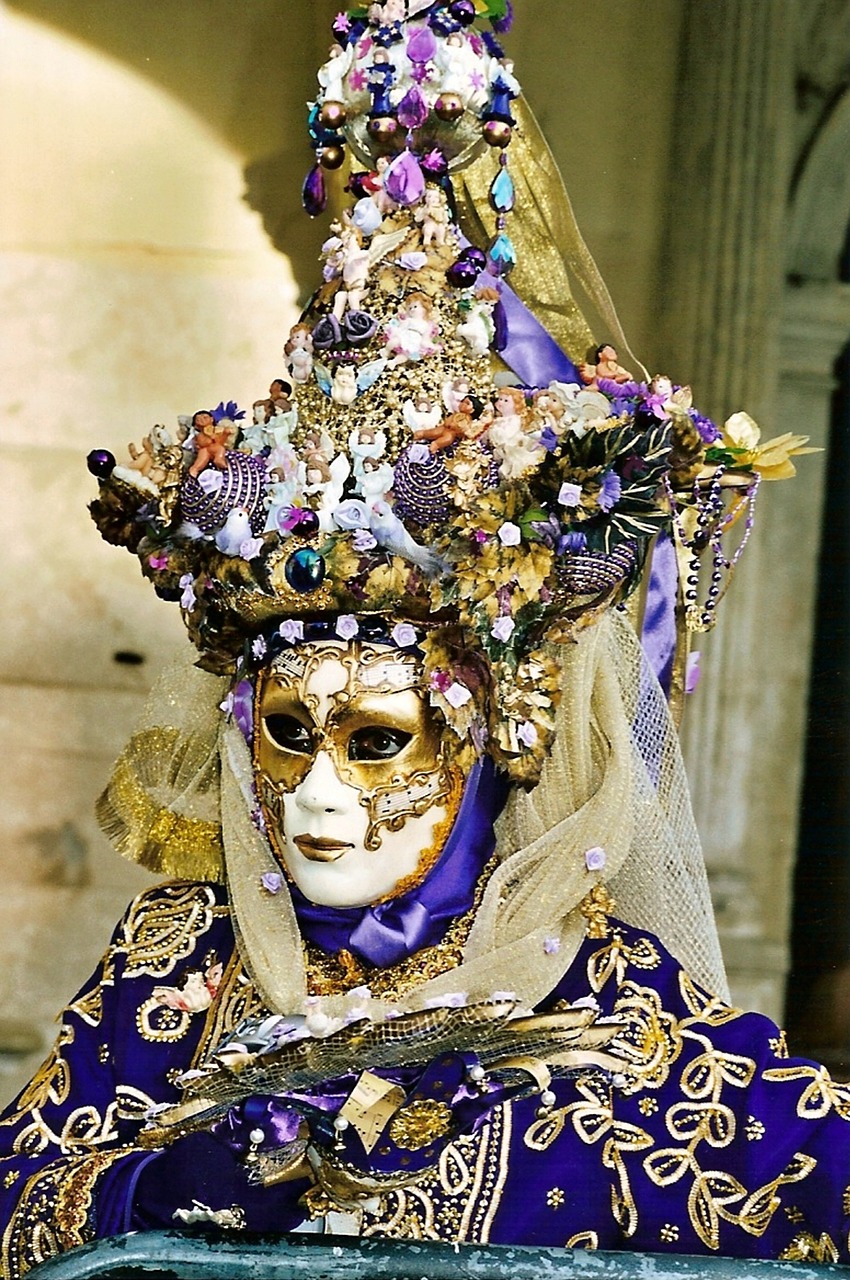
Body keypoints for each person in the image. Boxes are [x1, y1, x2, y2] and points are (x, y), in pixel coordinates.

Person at [1, 3, 844, 1276]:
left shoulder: (616, 1014)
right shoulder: (174, 964)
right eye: (288, 731)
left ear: (502, 734)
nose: (318, 796)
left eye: (379, 737)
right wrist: (141, 1189)